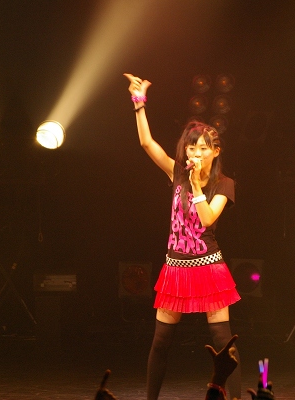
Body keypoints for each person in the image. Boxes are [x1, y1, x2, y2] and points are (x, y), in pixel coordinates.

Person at [123, 73, 242, 400]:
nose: (196, 152)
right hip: (175, 267)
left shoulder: (223, 184)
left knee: (224, 343)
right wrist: (138, 103)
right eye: (191, 147)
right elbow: (147, 144)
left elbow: (207, 218)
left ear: (215, 151)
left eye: (203, 148)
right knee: (161, 341)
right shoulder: (176, 172)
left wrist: (197, 186)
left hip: (209, 267)